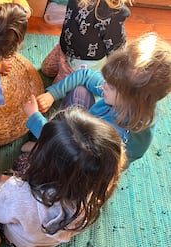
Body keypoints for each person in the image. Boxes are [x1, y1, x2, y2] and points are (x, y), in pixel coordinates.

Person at [0, 104, 126, 247]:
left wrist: (6, 183)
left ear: (46, 164)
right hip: (44, 241)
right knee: (23, 161)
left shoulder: (20, 194)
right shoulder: (93, 195)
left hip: (16, 238)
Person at [22, 32, 171, 165]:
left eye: (111, 87)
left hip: (85, 163)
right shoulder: (134, 98)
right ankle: (46, 140)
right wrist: (52, 94)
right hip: (89, 135)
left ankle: (43, 145)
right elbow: (85, 75)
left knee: (50, 162)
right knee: (80, 91)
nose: (103, 86)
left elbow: (70, 149)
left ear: (131, 99)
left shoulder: (114, 138)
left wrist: (35, 119)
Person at [41, 0, 131, 84]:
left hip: (82, 61)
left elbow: (117, 48)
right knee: (46, 69)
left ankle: (89, 79)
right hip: (65, 47)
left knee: (57, 90)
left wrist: (115, 72)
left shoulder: (112, 14)